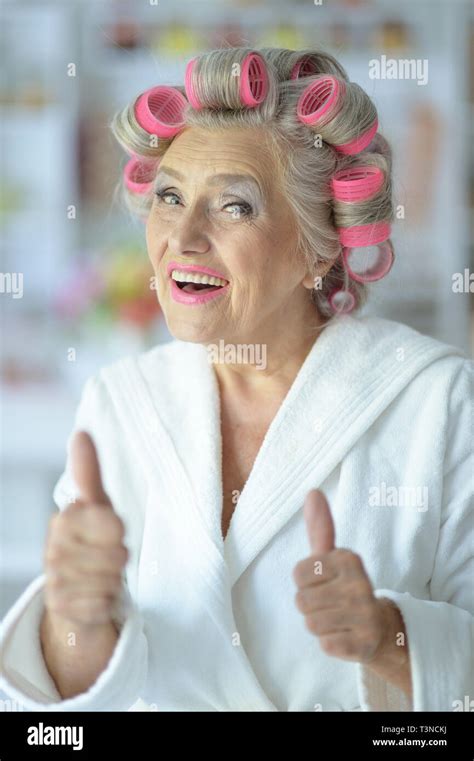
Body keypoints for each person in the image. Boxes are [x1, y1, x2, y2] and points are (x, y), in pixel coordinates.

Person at [0, 47, 472, 712]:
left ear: (320, 247)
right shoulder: (121, 403)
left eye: (234, 206)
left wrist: (387, 636)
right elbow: (69, 703)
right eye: (170, 196)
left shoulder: (438, 400)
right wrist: (76, 614)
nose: (183, 237)